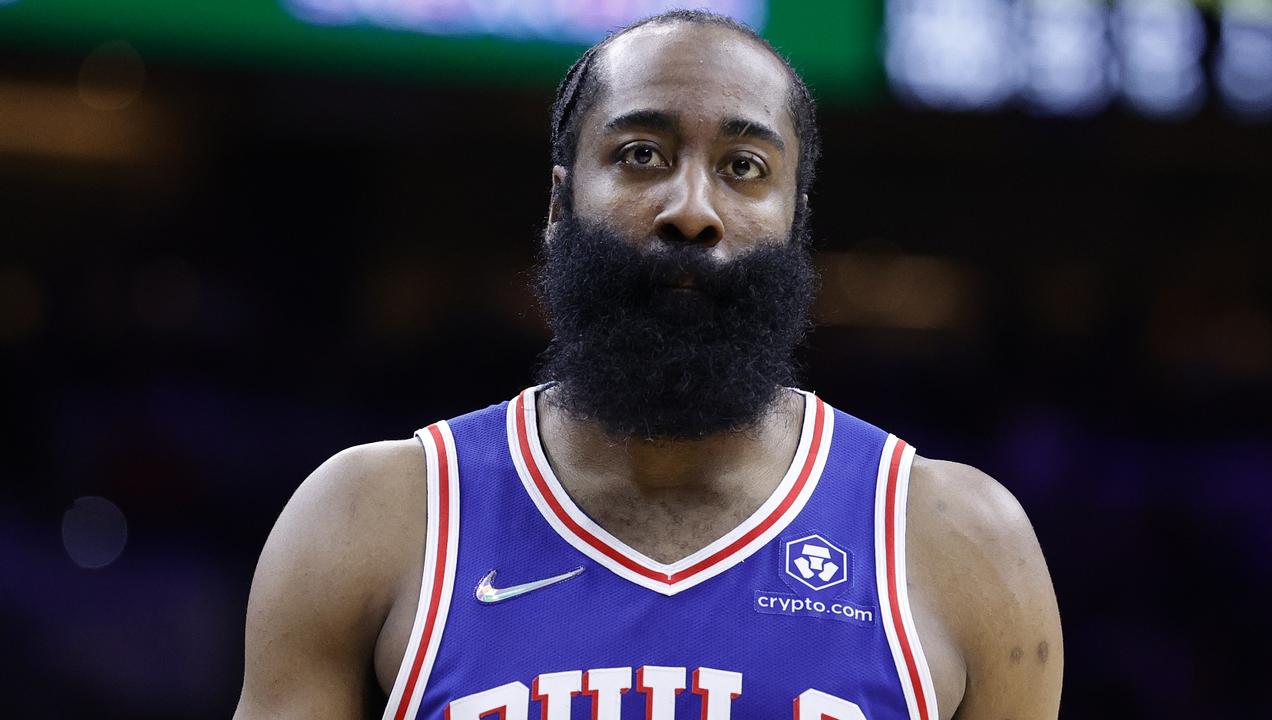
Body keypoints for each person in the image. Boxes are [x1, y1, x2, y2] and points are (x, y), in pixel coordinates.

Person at [234, 10, 1063, 720]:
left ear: (794, 219)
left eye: (744, 168)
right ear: (560, 206)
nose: (692, 211)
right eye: (641, 155)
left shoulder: (961, 542)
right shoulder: (373, 516)